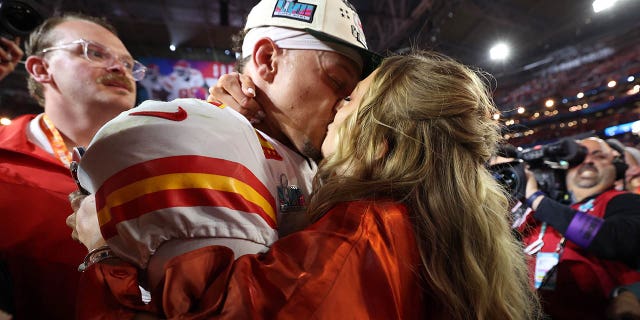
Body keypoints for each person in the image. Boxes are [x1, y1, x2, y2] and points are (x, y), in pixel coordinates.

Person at [72, 51, 541, 319]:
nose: (335, 107)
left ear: (382, 140)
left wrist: (104, 253)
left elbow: (215, 309)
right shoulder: (451, 224)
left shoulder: (366, 228)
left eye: (349, 97)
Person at [66, 0, 379, 318]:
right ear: (267, 59)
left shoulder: (319, 161)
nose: (343, 105)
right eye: (337, 82)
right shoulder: (200, 135)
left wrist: (101, 256)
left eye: (350, 94)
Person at [0, 13, 144, 319]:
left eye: (128, 64)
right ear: (41, 68)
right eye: (94, 53)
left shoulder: (159, 168)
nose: (119, 67)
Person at [523, 136, 640, 319]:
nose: (588, 161)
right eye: (578, 157)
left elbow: (615, 239)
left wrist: (536, 199)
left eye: (599, 156)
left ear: (615, 166)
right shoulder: (541, 212)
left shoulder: (625, 201)